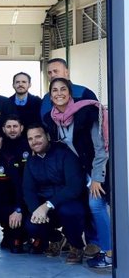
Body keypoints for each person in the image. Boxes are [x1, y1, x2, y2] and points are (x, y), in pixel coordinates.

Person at [43, 78, 112, 268]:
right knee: (94, 207)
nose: (59, 93)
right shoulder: (53, 119)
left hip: (102, 167)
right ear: (50, 96)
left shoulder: (87, 112)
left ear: (70, 93)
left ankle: (109, 255)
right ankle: (106, 250)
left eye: (63, 89)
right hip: (83, 171)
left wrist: (98, 178)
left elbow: (101, 149)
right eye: (54, 90)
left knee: (97, 206)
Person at [23, 124, 87, 264]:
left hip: (69, 202)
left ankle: (76, 245)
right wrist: (36, 210)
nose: (34, 141)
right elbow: (28, 190)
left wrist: (47, 205)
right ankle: (57, 239)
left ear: (48, 136)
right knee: (31, 225)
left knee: (69, 212)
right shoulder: (31, 161)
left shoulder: (65, 154)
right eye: (30, 139)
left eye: (38, 136)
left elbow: (74, 187)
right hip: (47, 207)